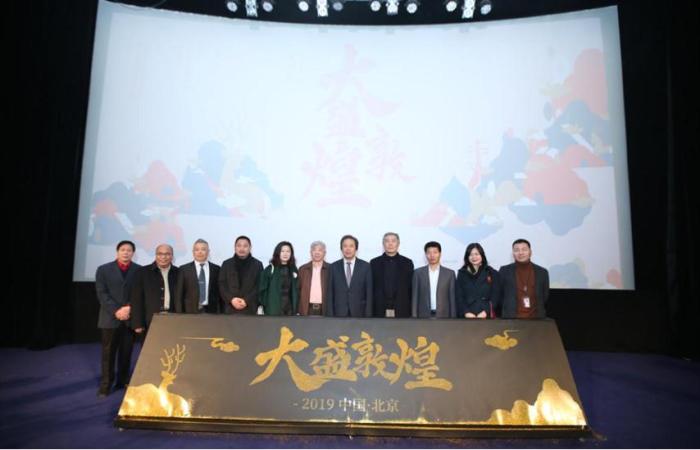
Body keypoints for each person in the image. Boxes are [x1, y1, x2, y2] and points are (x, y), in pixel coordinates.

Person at [95, 240, 141, 397]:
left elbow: (139, 293)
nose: (126, 252)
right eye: (123, 249)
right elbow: (102, 294)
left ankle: (123, 381)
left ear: (133, 253)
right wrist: (116, 310)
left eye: (129, 250)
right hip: (110, 318)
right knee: (108, 353)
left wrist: (129, 307)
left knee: (126, 352)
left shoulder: (139, 270)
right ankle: (106, 385)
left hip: (130, 317)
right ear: (117, 251)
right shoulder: (103, 269)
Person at [130, 243, 182, 334]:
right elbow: (136, 300)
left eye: (167, 254)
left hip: (174, 319)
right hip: (149, 321)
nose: (163, 257)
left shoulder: (179, 272)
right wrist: (137, 323)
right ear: (156, 255)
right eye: (160, 254)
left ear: (172, 256)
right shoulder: (142, 272)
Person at [499, 238, 549, 319]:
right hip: (511, 318)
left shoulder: (542, 272)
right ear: (513, 253)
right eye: (516, 250)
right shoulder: (504, 271)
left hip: (537, 319)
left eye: (524, 249)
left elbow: (544, 296)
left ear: (530, 252)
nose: (520, 253)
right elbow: (500, 295)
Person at [325, 235, 373, 317]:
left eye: (351, 246)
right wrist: (330, 315)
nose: (348, 249)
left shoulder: (365, 266)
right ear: (341, 249)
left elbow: (369, 293)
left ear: (356, 248)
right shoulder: (333, 267)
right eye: (345, 246)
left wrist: (368, 315)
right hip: (338, 313)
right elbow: (330, 293)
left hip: (359, 313)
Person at [370, 232, 414, 318]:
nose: (390, 244)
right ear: (383, 244)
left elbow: (410, 288)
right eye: (387, 241)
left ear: (398, 244)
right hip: (379, 309)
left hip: (402, 309)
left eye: (393, 241)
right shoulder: (374, 263)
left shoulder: (407, 263)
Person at [219, 236, 264, 315]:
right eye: (239, 245)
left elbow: (259, 286)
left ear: (250, 248)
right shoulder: (226, 264)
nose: (242, 248)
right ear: (235, 247)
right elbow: (221, 284)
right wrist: (231, 299)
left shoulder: (257, 265)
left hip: (250, 307)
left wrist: (246, 300)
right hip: (230, 307)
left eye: (245, 246)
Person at [455, 243, 501, 319]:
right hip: (467, 316)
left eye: (476, 254)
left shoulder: (491, 272)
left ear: (482, 255)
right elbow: (459, 296)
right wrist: (466, 312)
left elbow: (495, 296)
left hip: (486, 315)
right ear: (467, 257)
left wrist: (486, 311)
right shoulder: (462, 273)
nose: (474, 257)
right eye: (471, 255)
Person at [411, 241, 456, 318]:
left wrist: (453, 318)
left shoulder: (450, 274)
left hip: (444, 316)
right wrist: (414, 317)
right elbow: (415, 297)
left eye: (435, 252)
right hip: (423, 316)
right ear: (425, 254)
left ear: (440, 254)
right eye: (429, 253)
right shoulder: (418, 273)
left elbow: (452, 299)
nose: (432, 255)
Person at [177, 239, 222, 314]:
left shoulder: (216, 269)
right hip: (189, 312)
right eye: (197, 250)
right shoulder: (184, 269)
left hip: (211, 312)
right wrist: (179, 313)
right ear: (193, 252)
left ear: (208, 252)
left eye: (203, 249)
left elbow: (219, 293)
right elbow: (179, 294)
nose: (200, 252)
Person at [259, 241, 300, 316]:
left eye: (288, 251)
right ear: (278, 253)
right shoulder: (270, 269)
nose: (285, 254)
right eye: (282, 251)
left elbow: (297, 290)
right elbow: (262, 290)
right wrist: (267, 305)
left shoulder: (294, 269)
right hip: (273, 308)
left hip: (289, 309)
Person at [297, 241, 330, 316]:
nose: (317, 252)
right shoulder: (303, 269)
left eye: (320, 250)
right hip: (307, 309)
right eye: (314, 250)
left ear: (324, 253)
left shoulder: (330, 269)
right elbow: (298, 290)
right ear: (310, 252)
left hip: (325, 309)